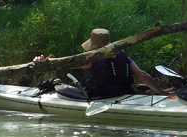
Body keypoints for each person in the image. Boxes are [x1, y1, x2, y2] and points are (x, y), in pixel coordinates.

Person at [34, 28, 171, 99]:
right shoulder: (122, 55)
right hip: (124, 93)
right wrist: (161, 91)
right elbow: (142, 75)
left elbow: (68, 64)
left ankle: (53, 83)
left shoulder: (92, 59)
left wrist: (45, 62)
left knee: (56, 83)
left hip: (100, 97)